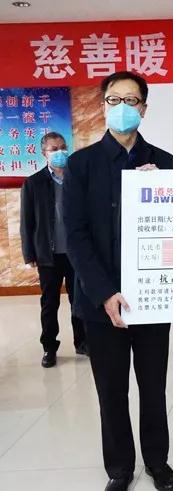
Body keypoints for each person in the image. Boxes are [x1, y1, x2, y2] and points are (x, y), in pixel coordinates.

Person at [63, 71, 173, 491]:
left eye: (132, 101)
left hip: (152, 299)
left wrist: (160, 193)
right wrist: (104, 293)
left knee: (153, 388)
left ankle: (158, 462)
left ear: (144, 109)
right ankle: (119, 468)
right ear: (103, 106)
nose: (123, 108)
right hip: (100, 303)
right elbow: (75, 236)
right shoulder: (81, 165)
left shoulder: (165, 163)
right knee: (111, 391)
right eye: (114, 100)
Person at [20, 131, 87, 368]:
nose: (60, 152)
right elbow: (27, 221)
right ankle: (49, 347)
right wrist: (29, 253)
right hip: (48, 255)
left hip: (75, 253)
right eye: (54, 149)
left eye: (62, 147)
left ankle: (82, 342)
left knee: (79, 300)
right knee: (50, 303)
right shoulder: (33, 183)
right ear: (44, 153)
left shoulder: (77, 178)